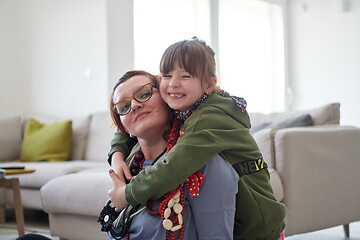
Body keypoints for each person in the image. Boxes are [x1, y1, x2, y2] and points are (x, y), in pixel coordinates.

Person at [108, 37, 286, 240]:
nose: (174, 83)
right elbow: (126, 123)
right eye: (167, 75)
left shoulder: (208, 118)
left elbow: (173, 166)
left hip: (258, 227)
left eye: (185, 76)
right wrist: (117, 153)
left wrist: (127, 194)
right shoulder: (184, 107)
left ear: (209, 84)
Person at [105, 70, 239, 239]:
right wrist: (116, 155)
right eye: (124, 106)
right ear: (124, 129)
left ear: (167, 98)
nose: (134, 106)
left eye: (144, 94)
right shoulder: (126, 169)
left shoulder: (203, 164)